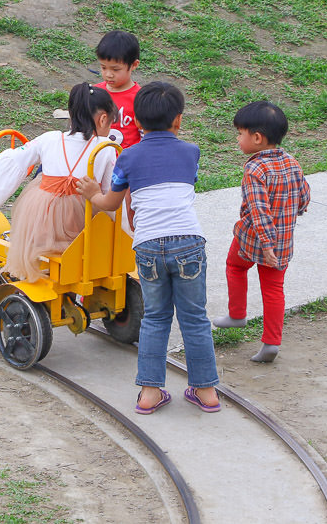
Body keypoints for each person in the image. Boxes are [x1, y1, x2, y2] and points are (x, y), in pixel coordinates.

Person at [78, 81, 220, 415]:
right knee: (195, 319)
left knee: (156, 318)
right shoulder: (191, 152)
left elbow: (111, 203)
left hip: (148, 245)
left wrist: (91, 193)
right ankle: (207, 392)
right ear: (179, 121)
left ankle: (149, 394)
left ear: (137, 123)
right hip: (188, 243)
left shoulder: (128, 155)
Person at [0, 83, 119, 283]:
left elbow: (12, 159)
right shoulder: (106, 148)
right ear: (103, 119)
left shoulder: (49, 139)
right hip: (83, 221)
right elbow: (109, 190)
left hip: (43, 218)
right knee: (103, 216)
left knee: (38, 193)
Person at [211, 101, 311, 363]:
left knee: (235, 266)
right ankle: (271, 343)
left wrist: (266, 244)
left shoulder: (254, 169)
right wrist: (294, 213)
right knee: (274, 290)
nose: (237, 138)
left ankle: (237, 314)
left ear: (257, 138)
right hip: (283, 241)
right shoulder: (292, 162)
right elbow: (304, 196)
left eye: (240, 133)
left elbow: (258, 210)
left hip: (252, 239)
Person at [95, 30, 141, 149]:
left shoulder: (140, 99)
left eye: (116, 70)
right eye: (103, 67)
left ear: (134, 65)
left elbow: (145, 136)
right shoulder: (95, 93)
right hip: (97, 160)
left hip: (126, 164)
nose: (108, 74)